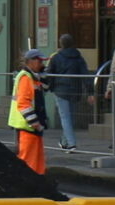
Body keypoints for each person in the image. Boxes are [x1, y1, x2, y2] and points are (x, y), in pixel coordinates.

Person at [8, 48, 50, 176]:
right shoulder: (26, 78)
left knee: (35, 159)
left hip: (31, 126)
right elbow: (23, 103)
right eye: (39, 61)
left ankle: (38, 182)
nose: (42, 64)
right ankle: (28, 185)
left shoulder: (32, 77)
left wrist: (43, 74)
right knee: (28, 159)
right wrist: (35, 122)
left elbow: (47, 87)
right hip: (27, 126)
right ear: (31, 62)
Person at [46, 36, 89, 153]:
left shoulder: (56, 57)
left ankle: (71, 143)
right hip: (75, 90)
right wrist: (90, 92)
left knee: (65, 117)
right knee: (71, 116)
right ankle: (64, 142)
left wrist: (47, 87)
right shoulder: (78, 57)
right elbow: (85, 74)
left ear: (61, 44)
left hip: (61, 90)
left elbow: (49, 73)